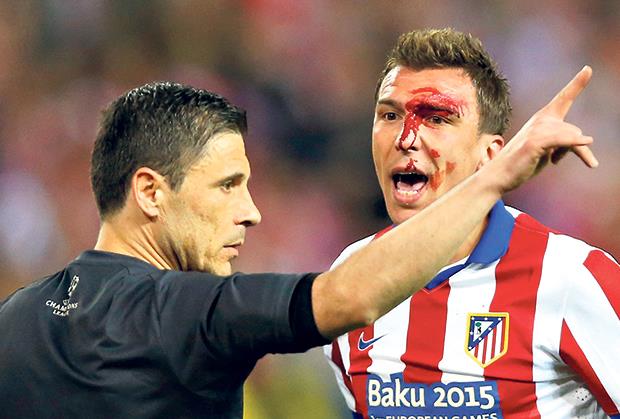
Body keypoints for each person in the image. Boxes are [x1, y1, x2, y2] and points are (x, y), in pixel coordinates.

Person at [0, 73, 595, 418]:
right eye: (228, 185)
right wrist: (493, 179)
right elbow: (350, 297)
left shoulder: (15, 319)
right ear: (151, 193)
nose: (251, 211)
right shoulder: (188, 313)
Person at [323, 28, 619, 419]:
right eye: (390, 115)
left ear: (490, 155)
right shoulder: (351, 279)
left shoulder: (571, 276)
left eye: (437, 118)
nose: (405, 138)